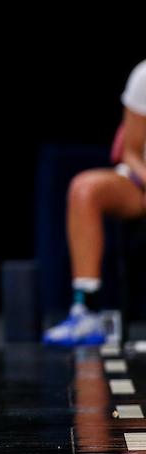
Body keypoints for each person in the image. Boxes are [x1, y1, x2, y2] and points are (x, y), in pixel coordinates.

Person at [44, 60, 146, 346]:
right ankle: (85, 311)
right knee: (85, 188)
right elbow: (131, 152)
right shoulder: (143, 76)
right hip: (141, 183)